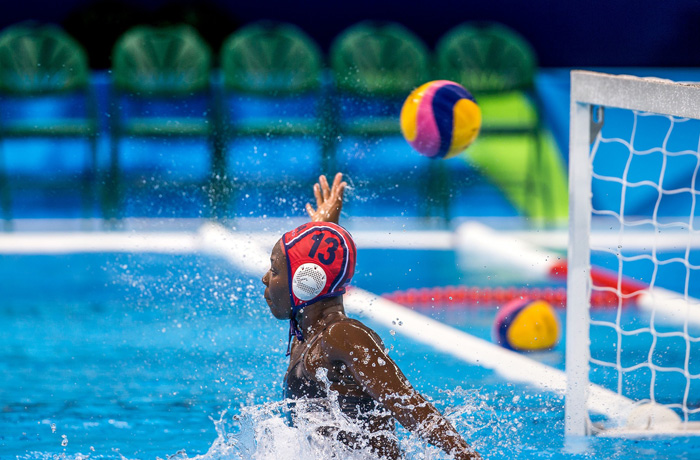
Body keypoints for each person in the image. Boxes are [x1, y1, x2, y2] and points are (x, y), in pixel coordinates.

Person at [262, 173, 482, 460]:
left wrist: (468, 457)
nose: (266, 278)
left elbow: (411, 407)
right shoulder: (309, 334)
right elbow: (319, 269)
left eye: (276, 270)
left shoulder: (343, 335)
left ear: (306, 283)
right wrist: (321, 228)